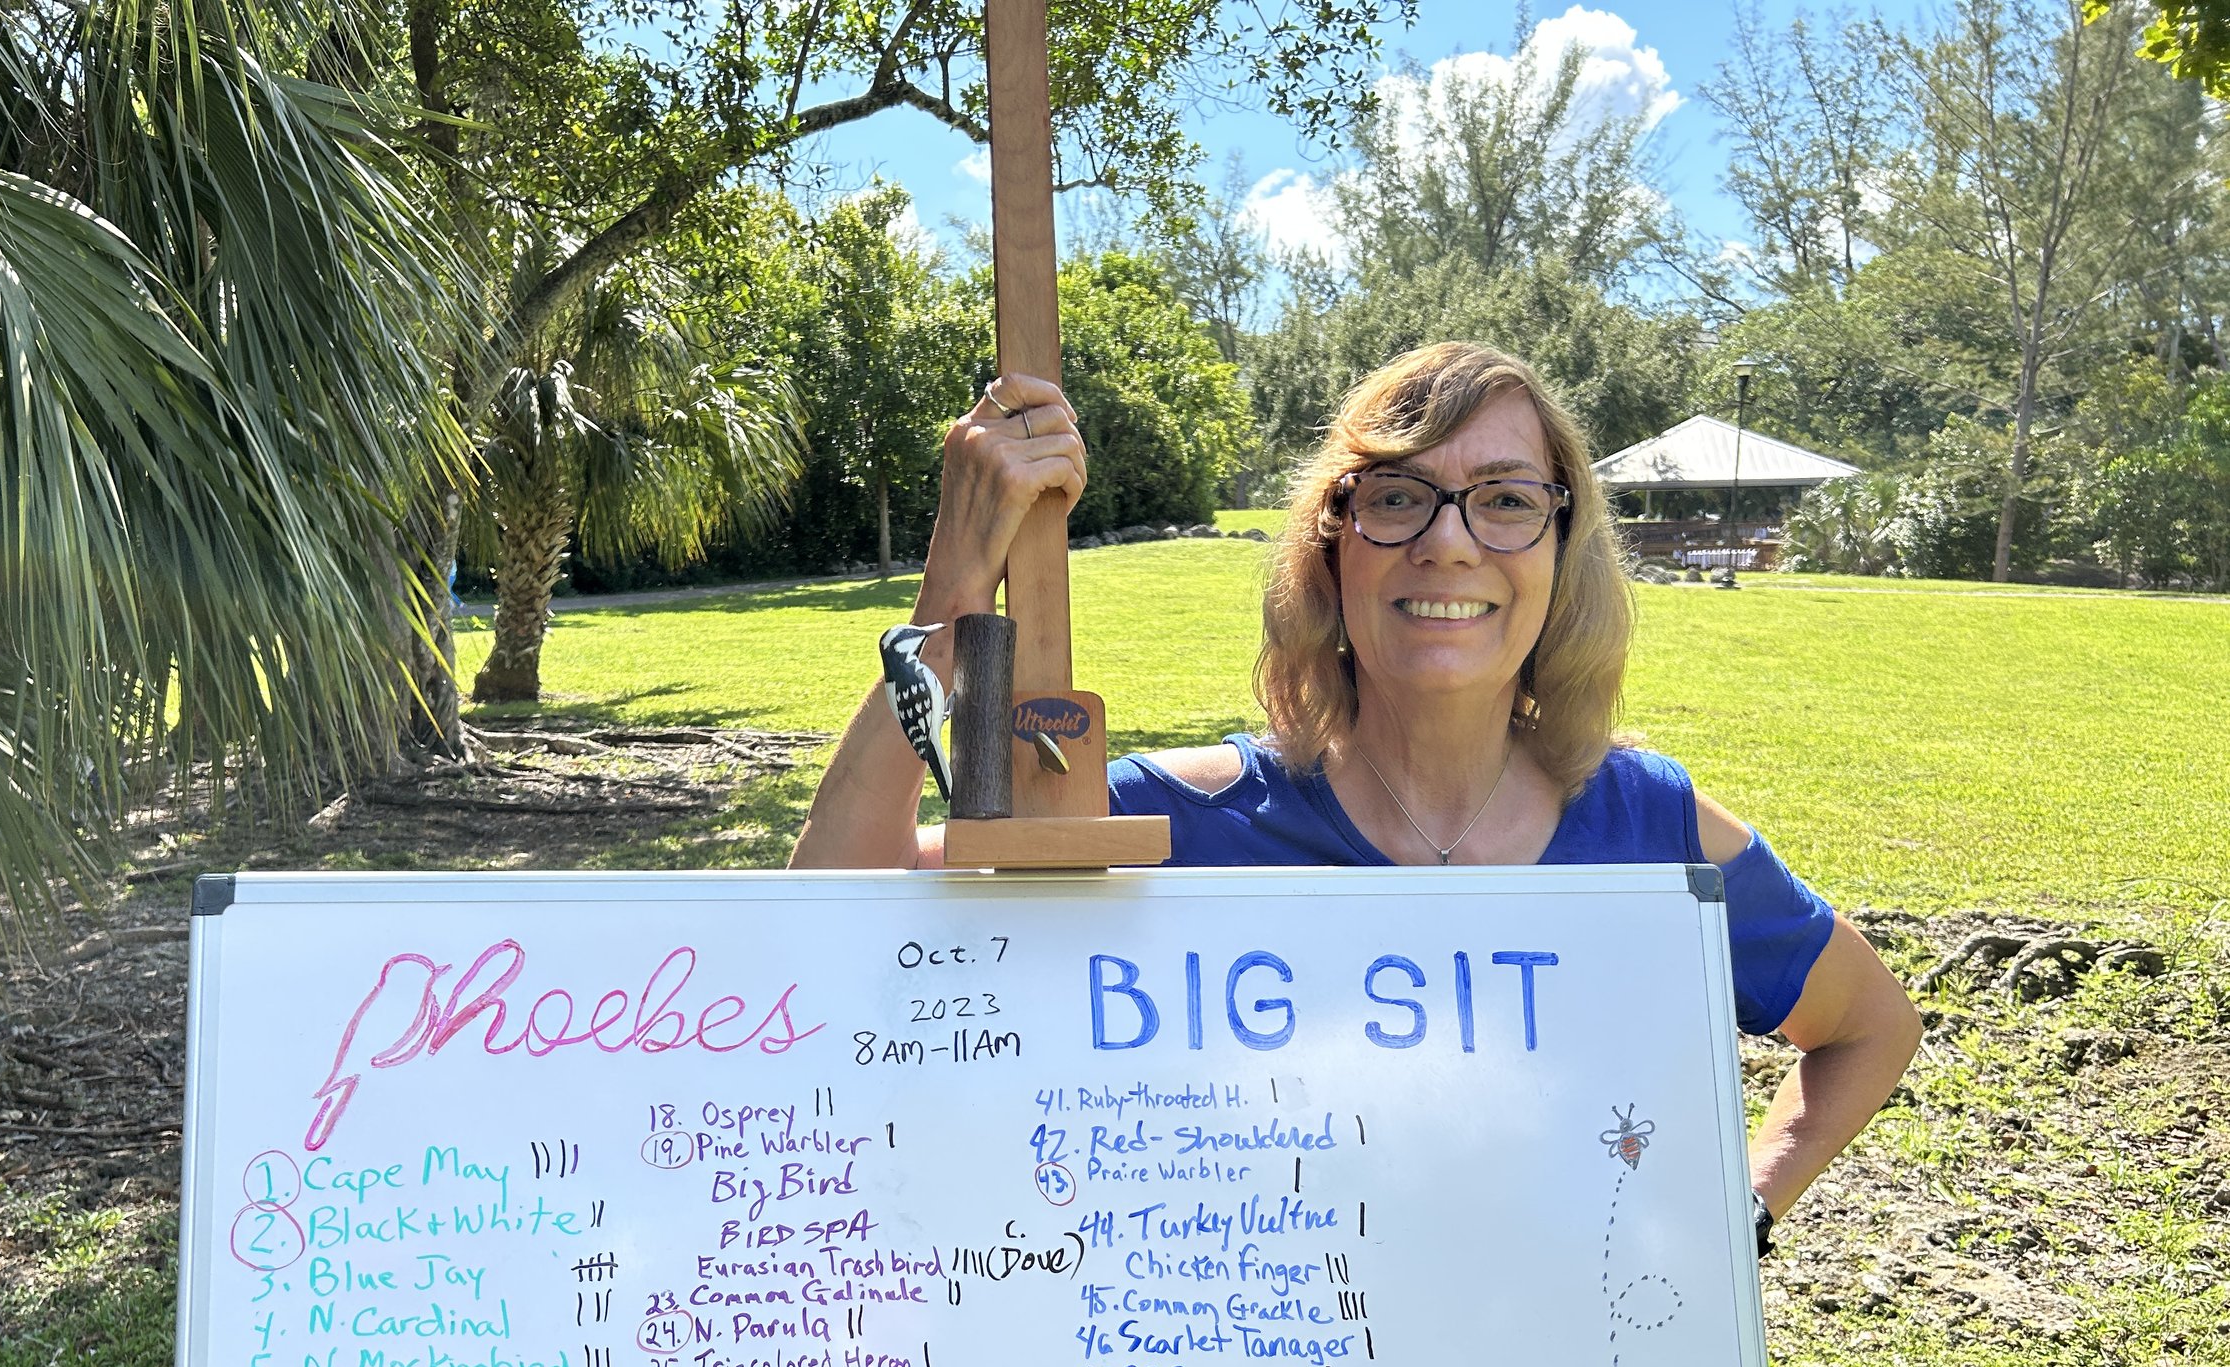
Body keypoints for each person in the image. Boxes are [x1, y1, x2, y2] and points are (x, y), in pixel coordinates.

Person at [792, 341, 1921, 1232]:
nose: (1449, 543)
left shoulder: (1653, 832)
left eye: (1507, 499)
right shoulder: (1186, 822)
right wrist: (951, 587)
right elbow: (827, 921)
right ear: (1333, 546)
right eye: (1396, 497)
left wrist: (1743, 1207)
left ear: (1561, 546)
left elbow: (1868, 1026)